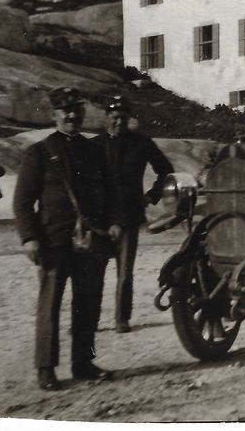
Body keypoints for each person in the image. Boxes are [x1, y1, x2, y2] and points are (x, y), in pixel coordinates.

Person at [13, 87, 120, 390]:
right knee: (50, 306)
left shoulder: (94, 150)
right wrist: (29, 239)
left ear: (83, 113)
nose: (72, 115)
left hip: (91, 241)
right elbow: (22, 202)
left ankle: (83, 363)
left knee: (88, 304)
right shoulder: (40, 152)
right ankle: (45, 368)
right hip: (54, 241)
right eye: (65, 110)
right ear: (54, 115)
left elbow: (112, 194)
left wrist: (114, 223)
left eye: (76, 109)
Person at [91, 96, 173, 334]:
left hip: (129, 216)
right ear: (106, 118)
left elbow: (166, 171)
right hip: (100, 219)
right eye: (114, 117)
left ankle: (121, 319)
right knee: (95, 273)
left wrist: (151, 196)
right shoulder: (93, 146)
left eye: (123, 118)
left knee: (124, 273)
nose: (118, 122)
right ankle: (91, 321)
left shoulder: (142, 144)